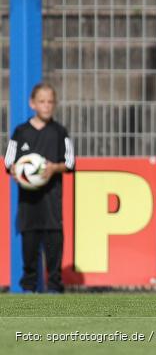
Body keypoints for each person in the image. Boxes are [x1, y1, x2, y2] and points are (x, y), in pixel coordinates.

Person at [4, 82, 74, 293]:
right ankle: (29, 289)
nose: (46, 106)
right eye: (42, 101)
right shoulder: (21, 132)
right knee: (30, 247)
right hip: (29, 203)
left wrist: (54, 168)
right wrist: (16, 170)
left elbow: (70, 164)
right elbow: (8, 162)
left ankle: (54, 288)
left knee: (53, 246)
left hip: (52, 201)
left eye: (50, 102)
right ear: (32, 103)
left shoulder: (59, 132)